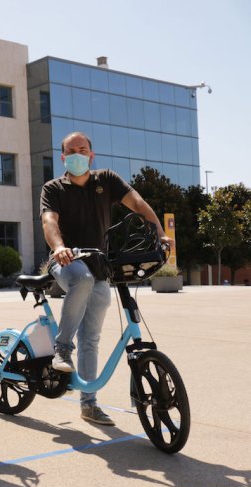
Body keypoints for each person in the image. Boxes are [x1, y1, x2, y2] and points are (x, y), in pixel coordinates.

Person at [40, 131, 173, 426]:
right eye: (71, 150)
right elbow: (49, 221)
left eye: (83, 149)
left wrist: (160, 233)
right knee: (82, 280)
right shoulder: (53, 188)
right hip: (65, 262)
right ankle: (61, 350)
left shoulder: (107, 180)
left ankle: (89, 404)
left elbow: (137, 203)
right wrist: (59, 247)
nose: (78, 153)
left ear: (91, 153)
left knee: (92, 339)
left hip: (100, 267)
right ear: (63, 157)